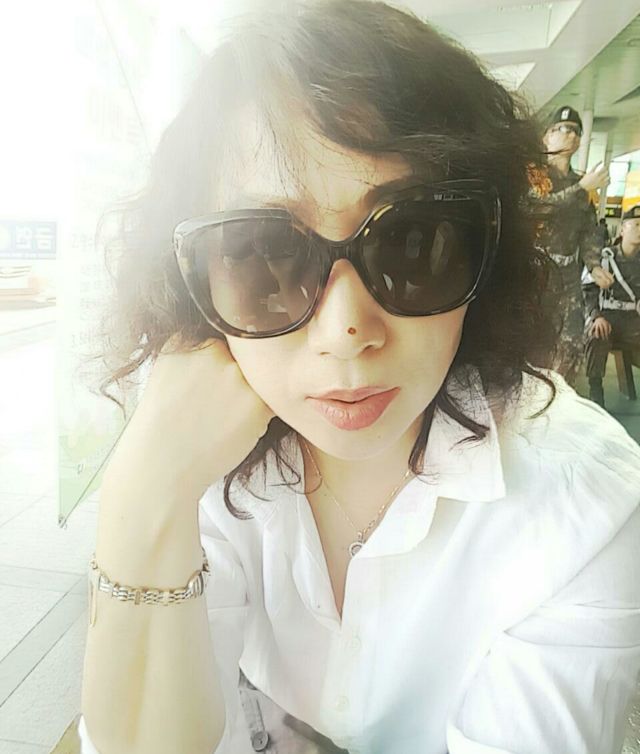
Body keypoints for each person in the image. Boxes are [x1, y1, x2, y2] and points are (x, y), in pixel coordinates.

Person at [80, 3, 640, 753]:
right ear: (194, 281)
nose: (347, 331)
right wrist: (141, 492)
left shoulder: (585, 511)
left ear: (487, 251)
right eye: (264, 252)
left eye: (413, 240)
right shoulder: (201, 448)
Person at [528, 106, 613, 385]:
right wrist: (581, 189)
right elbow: (537, 207)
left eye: (575, 131)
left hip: (568, 275)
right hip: (536, 272)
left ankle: (560, 394)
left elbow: (588, 229)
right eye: (561, 129)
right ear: (546, 137)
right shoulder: (534, 176)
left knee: (572, 343)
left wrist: (594, 265)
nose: (570, 134)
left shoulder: (581, 182)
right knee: (534, 341)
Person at [584, 204, 640, 407]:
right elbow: (588, 290)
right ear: (623, 229)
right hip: (608, 317)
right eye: (636, 224)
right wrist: (596, 316)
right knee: (596, 334)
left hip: (634, 321)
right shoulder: (604, 258)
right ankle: (596, 392)